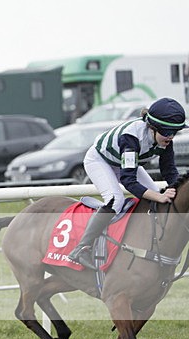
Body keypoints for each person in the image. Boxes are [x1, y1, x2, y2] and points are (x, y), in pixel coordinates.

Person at [67, 97, 187, 270]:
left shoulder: (166, 140)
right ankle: (81, 248)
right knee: (116, 200)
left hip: (122, 161)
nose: (170, 136)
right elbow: (129, 181)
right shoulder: (131, 137)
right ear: (152, 127)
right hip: (99, 160)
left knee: (155, 194)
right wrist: (159, 196)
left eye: (174, 132)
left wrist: (176, 191)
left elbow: (169, 171)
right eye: (167, 132)